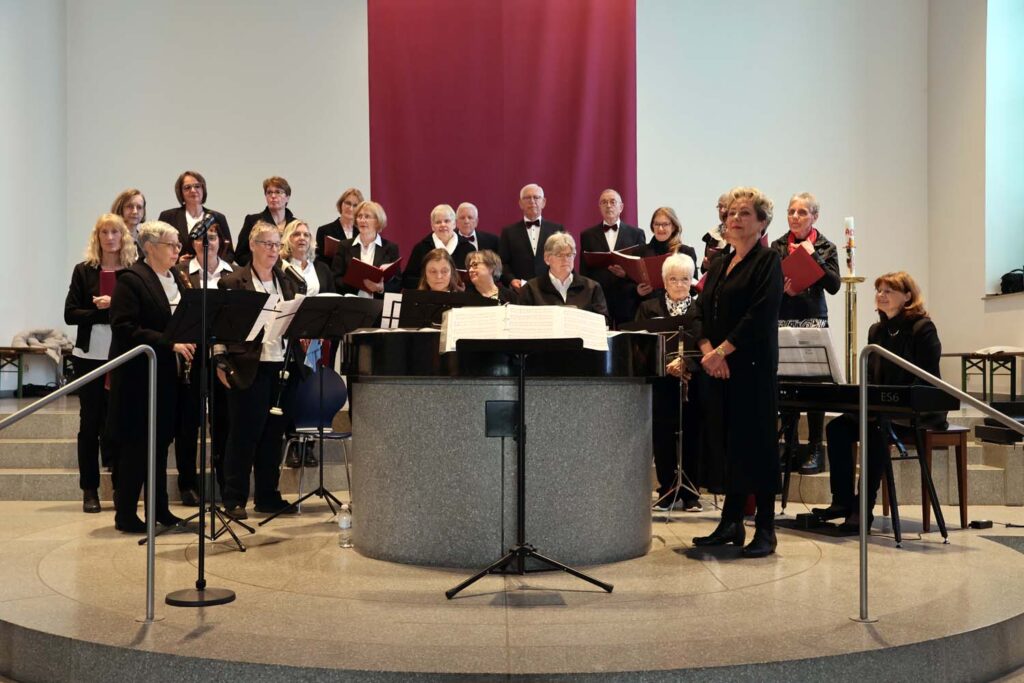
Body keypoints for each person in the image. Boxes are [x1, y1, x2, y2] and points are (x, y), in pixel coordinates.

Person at [688, 186, 783, 558]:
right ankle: (730, 523)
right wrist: (708, 350)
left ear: (761, 223)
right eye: (731, 213)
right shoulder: (718, 262)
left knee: (757, 446)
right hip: (719, 368)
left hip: (752, 368)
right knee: (729, 445)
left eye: (745, 213)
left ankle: (766, 529)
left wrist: (724, 350)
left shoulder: (767, 261)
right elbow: (697, 309)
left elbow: (760, 314)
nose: (734, 219)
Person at [812, 271, 945, 531]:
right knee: (837, 428)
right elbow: (872, 376)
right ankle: (842, 502)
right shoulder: (877, 331)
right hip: (883, 408)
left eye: (888, 291)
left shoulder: (922, 328)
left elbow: (927, 377)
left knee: (874, 430)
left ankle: (863, 510)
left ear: (907, 296)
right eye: (879, 291)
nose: (881, 296)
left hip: (917, 409)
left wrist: (888, 405)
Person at [107, 221, 194, 533]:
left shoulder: (178, 280)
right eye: (171, 245)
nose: (177, 250)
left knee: (160, 444)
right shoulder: (132, 280)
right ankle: (126, 513)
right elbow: (124, 327)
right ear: (150, 247)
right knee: (136, 446)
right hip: (139, 378)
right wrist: (169, 342)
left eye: (177, 245)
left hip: (169, 377)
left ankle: (160, 509)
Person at [214, 222, 302, 519]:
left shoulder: (286, 281)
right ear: (252, 245)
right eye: (267, 244)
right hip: (247, 366)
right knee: (243, 435)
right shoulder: (233, 282)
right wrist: (220, 360)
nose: (273, 251)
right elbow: (220, 327)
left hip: (281, 366)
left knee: (272, 436)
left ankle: (267, 495)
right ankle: (234, 499)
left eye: (277, 245)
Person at [64, 213, 137, 513]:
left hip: (123, 356)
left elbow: (138, 314)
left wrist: (113, 307)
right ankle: (90, 489)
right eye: (104, 232)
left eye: (115, 232)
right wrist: (105, 312)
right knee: (89, 423)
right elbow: (71, 314)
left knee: (119, 422)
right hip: (89, 357)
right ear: (97, 238)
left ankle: (122, 486)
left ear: (123, 237)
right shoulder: (84, 271)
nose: (110, 238)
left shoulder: (133, 273)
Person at [770, 192, 841, 475]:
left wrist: (815, 260)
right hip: (783, 317)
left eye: (801, 212)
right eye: (791, 212)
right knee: (785, 381)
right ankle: (789, 445)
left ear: (814, 216)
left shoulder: (825, 246)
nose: (795, 217)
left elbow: (834, 285)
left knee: (814, 384)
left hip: (813, 318)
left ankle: (814, 446)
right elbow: (767, 283)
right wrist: (782, 288)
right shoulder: (776, 246)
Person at [173, 224, 234, 505]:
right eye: (199, 238)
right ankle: (188, 483)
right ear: (192, 243)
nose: (205, 242)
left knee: (223, 422)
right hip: (192, 355)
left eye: (211, 237)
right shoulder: (182, 273)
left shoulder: (233, 273)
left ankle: (224, 481)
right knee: (189, 422)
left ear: (220, 241)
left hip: (224, 357)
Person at [638, 253, 702, 512]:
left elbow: (704, 342)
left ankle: (691, 491)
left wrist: (687, 363)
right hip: (661, 381)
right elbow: (640, 345)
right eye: (673, 279)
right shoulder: (648, 308)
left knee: (692, 435)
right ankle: (666, 489)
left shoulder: (700, 309)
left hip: (692, 382)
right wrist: (665, 365)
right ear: (664, 281)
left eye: (684, 279)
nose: (678, 284)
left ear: (692, 281)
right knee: (663, 435)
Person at [579, 189, 646, 326]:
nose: (608, 205)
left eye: (612, 202)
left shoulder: (636, 234)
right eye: (604, 202)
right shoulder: (587, 235)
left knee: (627, 342)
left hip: (628, 297)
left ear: (621, 207)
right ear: (599, 207)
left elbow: (642, 269)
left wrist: (626, 274)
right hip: (599, 298)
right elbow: (584, 269)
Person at [517, 233, 609, 321]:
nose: (565, 260)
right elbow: (521, 322)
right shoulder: (531, 289)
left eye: (569, 255)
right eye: (559, 255)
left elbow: (603, 321)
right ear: (547, 258)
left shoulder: (592, 288)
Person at [157, 170, 234, 263]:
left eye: (197, 186)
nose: (193, 190)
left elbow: (229, 253)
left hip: (213, 274)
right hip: (179, 273)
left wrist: (216, 265)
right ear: (180, 192)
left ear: (203, 189)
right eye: (187, 187)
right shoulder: (168, 217)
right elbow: (159, 248)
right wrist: (177, 261)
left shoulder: (217, 217)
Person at [498, 183, 565, 290]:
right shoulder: (508, 232)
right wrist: (511, 280)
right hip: (519, 291)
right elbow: (502, 262)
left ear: (543, 202)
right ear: (520, 203)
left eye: (536, 197)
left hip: (551, 289)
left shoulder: (557, 229)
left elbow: (564, 258)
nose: (532, 201)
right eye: (527, 198)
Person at [331, 200, 401, 298]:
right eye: (359, 216)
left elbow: (397, 282)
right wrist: (357, 284)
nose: (362, 220)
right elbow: (335, 278)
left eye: (367, 216)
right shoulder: (344, 246)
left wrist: (380, 288)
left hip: (379, 306)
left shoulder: (390, 248)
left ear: (377, 221)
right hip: (351, 303)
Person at [403, 204, 473, 290]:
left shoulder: (468, 248)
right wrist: (430, 283)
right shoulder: (421, 248)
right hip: (428, 298)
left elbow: (475, 279)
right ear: (432, 226)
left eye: (447, 221)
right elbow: (407, 279)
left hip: (461, 299)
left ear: (454, 224)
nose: (443, 225)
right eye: (438, 222)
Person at [235, 176, 296, 267]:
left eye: (278, 192)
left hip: (290, 275)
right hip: (261, 275)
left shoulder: (295, 225)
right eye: (269, 192)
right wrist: (260, 265)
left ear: (287, 197)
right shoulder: (253, 221)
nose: (273, 196)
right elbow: (240, 255)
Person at [281, 219, 334, 296]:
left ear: (310, 240)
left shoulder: (323, 268)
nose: (302, 238)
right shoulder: (281, 267)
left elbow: (332, 298)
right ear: (288, 239)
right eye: (297, 234)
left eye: (306, 235)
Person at [643, 207, 699, 278]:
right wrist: (638, 288)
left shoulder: (687, 252)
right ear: (652, 226)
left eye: (665, 224)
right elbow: (631, 283)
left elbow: (693, 284)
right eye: (657, 224)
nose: (660, 228)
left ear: (673, 227)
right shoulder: (641, 252)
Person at [315, 187, 364, 268]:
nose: (350, 208)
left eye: (355, 205)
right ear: (341, 204)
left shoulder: (362, 233)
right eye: (348, 203)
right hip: (332, 276)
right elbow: (320, 261)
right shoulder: (324, 230)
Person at [699, 192, 730, 273]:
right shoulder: (711, 235)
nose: (722, 210)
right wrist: (706, 265)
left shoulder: (744, 235)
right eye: (720, 207)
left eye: (726, 206)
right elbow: (704, 270)